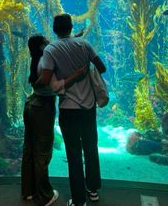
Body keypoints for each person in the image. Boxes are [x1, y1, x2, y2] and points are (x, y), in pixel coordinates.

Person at [38, 14, 107, 206]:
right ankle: (92, 190)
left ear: (54, 29)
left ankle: (78, 200)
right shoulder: (84, 44)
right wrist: (83, 71)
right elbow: (101, 67)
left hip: (68, 108)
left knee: (74, 153)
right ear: (71, 27)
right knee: (91, 148)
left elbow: (45, 80)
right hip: (88, 107)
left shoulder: (51, 50)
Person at [21, 34, 87, 206]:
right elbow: (55, 85)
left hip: (32, 103)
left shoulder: (38, 57)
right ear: (42, 46)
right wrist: (78, 73)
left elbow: (56, 47)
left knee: (29, 149)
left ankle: (29, 191)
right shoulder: (45, 62)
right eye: (46, 41)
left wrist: (73, 37)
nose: (49, 42)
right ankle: (45, 196)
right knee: (42, 152)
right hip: (42, 107)